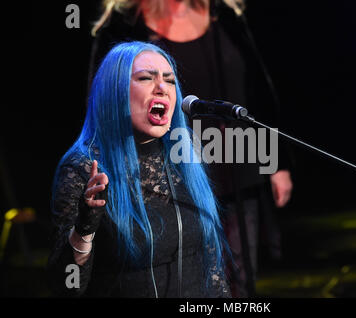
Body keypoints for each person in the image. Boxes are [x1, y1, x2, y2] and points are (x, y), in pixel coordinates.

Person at [88, 0, 294, 297]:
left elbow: (259, 90)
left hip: (239, 165)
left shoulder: (223, 14)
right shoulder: (124, 23)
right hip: (168, 174)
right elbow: (102, 101)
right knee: (185, 276)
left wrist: (278, 161)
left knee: (239, 277)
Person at [47, 41, 230, 297]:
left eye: (170, 80)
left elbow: (210, 266)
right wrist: (84, 230)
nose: (162, 88)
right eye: (146, 78)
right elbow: (68, 287)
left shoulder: (185, 152)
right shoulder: (82, 169)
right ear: (115, 92)